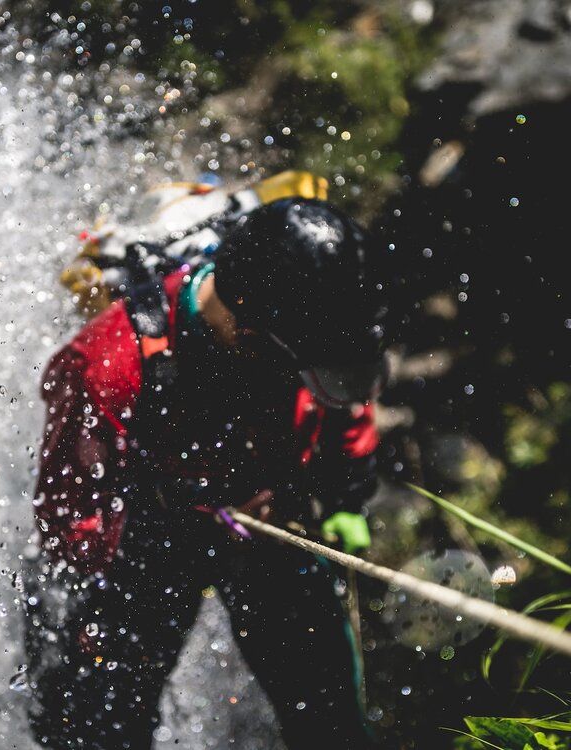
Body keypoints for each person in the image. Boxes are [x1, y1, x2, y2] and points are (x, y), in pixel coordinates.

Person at [23, 196, 391, 749]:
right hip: (145, 550)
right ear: (244, 323)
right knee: (103, 730)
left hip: (272, 527)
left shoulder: (309, 330)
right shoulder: (108, 365)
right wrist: (166, 525)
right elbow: (71, 516)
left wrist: (344, 497)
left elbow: (345, 404)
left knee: (331, 725)